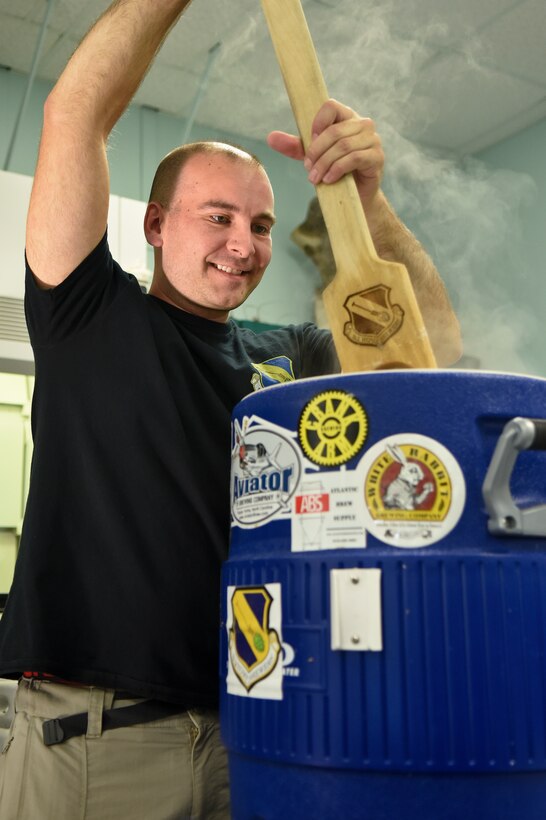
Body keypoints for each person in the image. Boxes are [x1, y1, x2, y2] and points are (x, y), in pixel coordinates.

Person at [0, 1, 461, 818]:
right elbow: (74, 110)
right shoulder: (88, 316)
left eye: (259, 224)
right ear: (154, 224)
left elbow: (431, 361)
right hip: (99, 741)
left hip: (257, 730)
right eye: (218, 217)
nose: (243, 244)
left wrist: (367, 200)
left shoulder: (292, 357)